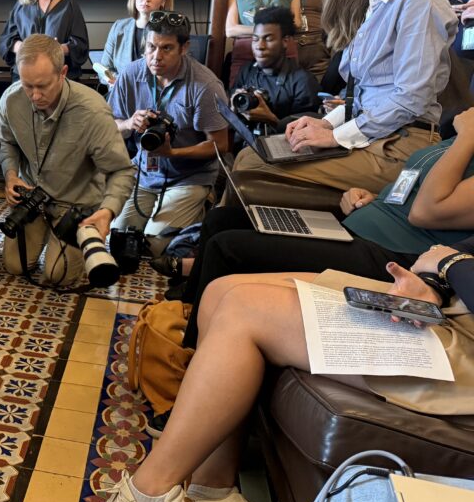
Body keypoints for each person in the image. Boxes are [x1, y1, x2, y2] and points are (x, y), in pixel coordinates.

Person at [72, 237, 474, 502]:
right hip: (456, 303)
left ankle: (149, 497)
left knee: (247, 310)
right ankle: (214, 496)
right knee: (223, 290)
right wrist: (439, 280)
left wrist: (450, 264)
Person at [177, 108, 474, 346]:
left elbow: (427, 211)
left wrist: (468, 136)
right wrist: (371, 196)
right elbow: (412, 187)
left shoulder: (466, 137)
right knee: (220, 220)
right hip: (358, 225)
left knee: (227, 248)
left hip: (390, 255)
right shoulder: (460, 138)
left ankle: (189, 354)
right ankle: (180, 315)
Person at [232, 0, 455, 198]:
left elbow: (411, 100)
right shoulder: (373, 6)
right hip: (376, 135)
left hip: (401, 146)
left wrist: (336, 136)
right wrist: (325, 122)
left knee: (253, 167)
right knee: (250, 154)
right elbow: (364, 94)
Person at [0, 34, 134, 287]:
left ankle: (71, 243)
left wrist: (107, 211)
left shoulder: (92, 111)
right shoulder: (10, 100)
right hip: (33, 199)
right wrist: (11, 175)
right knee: (14, 266)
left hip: (75, 205)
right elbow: (8, 142)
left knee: (57, 276)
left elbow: (122, 171)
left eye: (42, 86)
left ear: (63, 73)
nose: (34, 96)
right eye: (27, 85)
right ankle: (49, 239)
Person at [110, 11, 229, 259]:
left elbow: (220, 145)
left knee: (152, 247)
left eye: (166, 48)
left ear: (184, 48)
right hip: (144, 173)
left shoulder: (205, 85)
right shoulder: (130, 74)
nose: (156, 57)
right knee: (119, 238)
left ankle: (201, 205)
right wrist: (130, 123)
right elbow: (109, 126)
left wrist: (172, 152)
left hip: (189, 177)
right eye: (151, 46)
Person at [229, 6, 319, 136]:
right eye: (255, 39)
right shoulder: (248, 70)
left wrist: (270, 119)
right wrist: (234, 108)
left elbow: (306, 137)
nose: (259, 46)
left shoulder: (303, 83)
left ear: (285, 41)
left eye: (268, 39)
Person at [98, 0, 174, 85]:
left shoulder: (170, 32)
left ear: (164, 0)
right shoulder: (119, 27)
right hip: (120, 95)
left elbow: (171, 74)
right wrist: (117, 81)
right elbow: (104, 68)